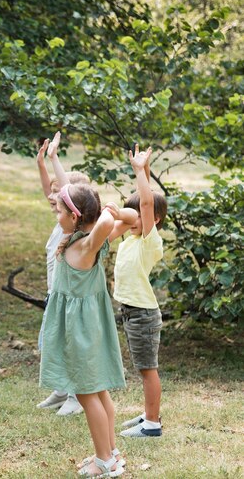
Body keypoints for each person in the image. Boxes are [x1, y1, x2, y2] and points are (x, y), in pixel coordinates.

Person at [39, 183, 137, 477]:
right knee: (99, 391)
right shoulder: (87, 239)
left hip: (79, 330)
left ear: (75, 217)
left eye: (60, 211)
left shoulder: (86, 245)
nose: (56, 216)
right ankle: (111, 452)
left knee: (85, 393)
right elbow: (131, 218)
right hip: (88, 325)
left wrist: (106, 210)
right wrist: (109, 209)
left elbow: (113, 220)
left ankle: (104, 460)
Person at [109, 145, 168, 439]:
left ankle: (153, 425)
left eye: (136, 213)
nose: (130, 217)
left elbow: (146, 203)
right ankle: (148, 414)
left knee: (147, 370)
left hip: (143, 314)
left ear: (153, 219)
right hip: (131, 312)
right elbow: (142, 203)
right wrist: (143, 170)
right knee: (142, 368)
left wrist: (138, 171)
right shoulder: (132, 238)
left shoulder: (149, 240)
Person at [35, 132, 88, 416]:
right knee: (53, 343)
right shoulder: (61, 221)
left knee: (68, 346)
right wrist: (41, 163)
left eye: (59, 193)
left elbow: (64, 189)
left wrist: (54, 158)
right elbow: (51, 191)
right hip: (54, 294)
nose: (52, 197)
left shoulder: (76, 228)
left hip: (69, 297)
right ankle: (61, 389)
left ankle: (76, 396)